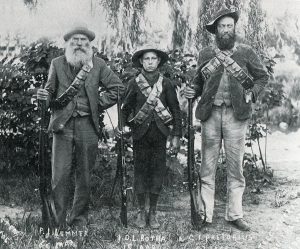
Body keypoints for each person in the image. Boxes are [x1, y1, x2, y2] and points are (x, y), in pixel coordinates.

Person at [183, 5, 268, 231]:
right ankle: (205, 214)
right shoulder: (206, 54)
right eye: (222, 26)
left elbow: (262, 77)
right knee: (207, 167)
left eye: (230, 26)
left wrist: (252, 93)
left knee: (235, 168)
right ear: (216, 30)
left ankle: (235, 214)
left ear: (234, 28)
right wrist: (192, 91)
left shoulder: (246, 52)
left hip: (236, 115)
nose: (226, 30)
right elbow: (198, 83)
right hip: (210, 116)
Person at [37, 25, 125, 230]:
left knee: (84, 176)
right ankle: (57, 224)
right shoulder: (56, 64)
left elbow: (118, 88)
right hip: (62, 126)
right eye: (75, 40)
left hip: (88, 125)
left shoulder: (99, 64)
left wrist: (97, 103)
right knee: (59, 177)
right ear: (68, 43)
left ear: (89, 44)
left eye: (84, 40)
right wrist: (43, 96)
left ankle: (78, 221)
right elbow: (49, 92)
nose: (79, 44)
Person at [120, 45, 182, 229]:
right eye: (146, 59)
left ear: (159, 61)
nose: (149, 62)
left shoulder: (167, 84)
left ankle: (153, 211)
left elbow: (176, 110)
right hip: (140, 134)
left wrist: (176, 135)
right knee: (140, 171)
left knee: (157, 171)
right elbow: (125, 109)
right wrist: (123, 127)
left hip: (160, 134)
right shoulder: (134, 83)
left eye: (153, 59)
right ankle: (141, 211)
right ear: (141, 61)